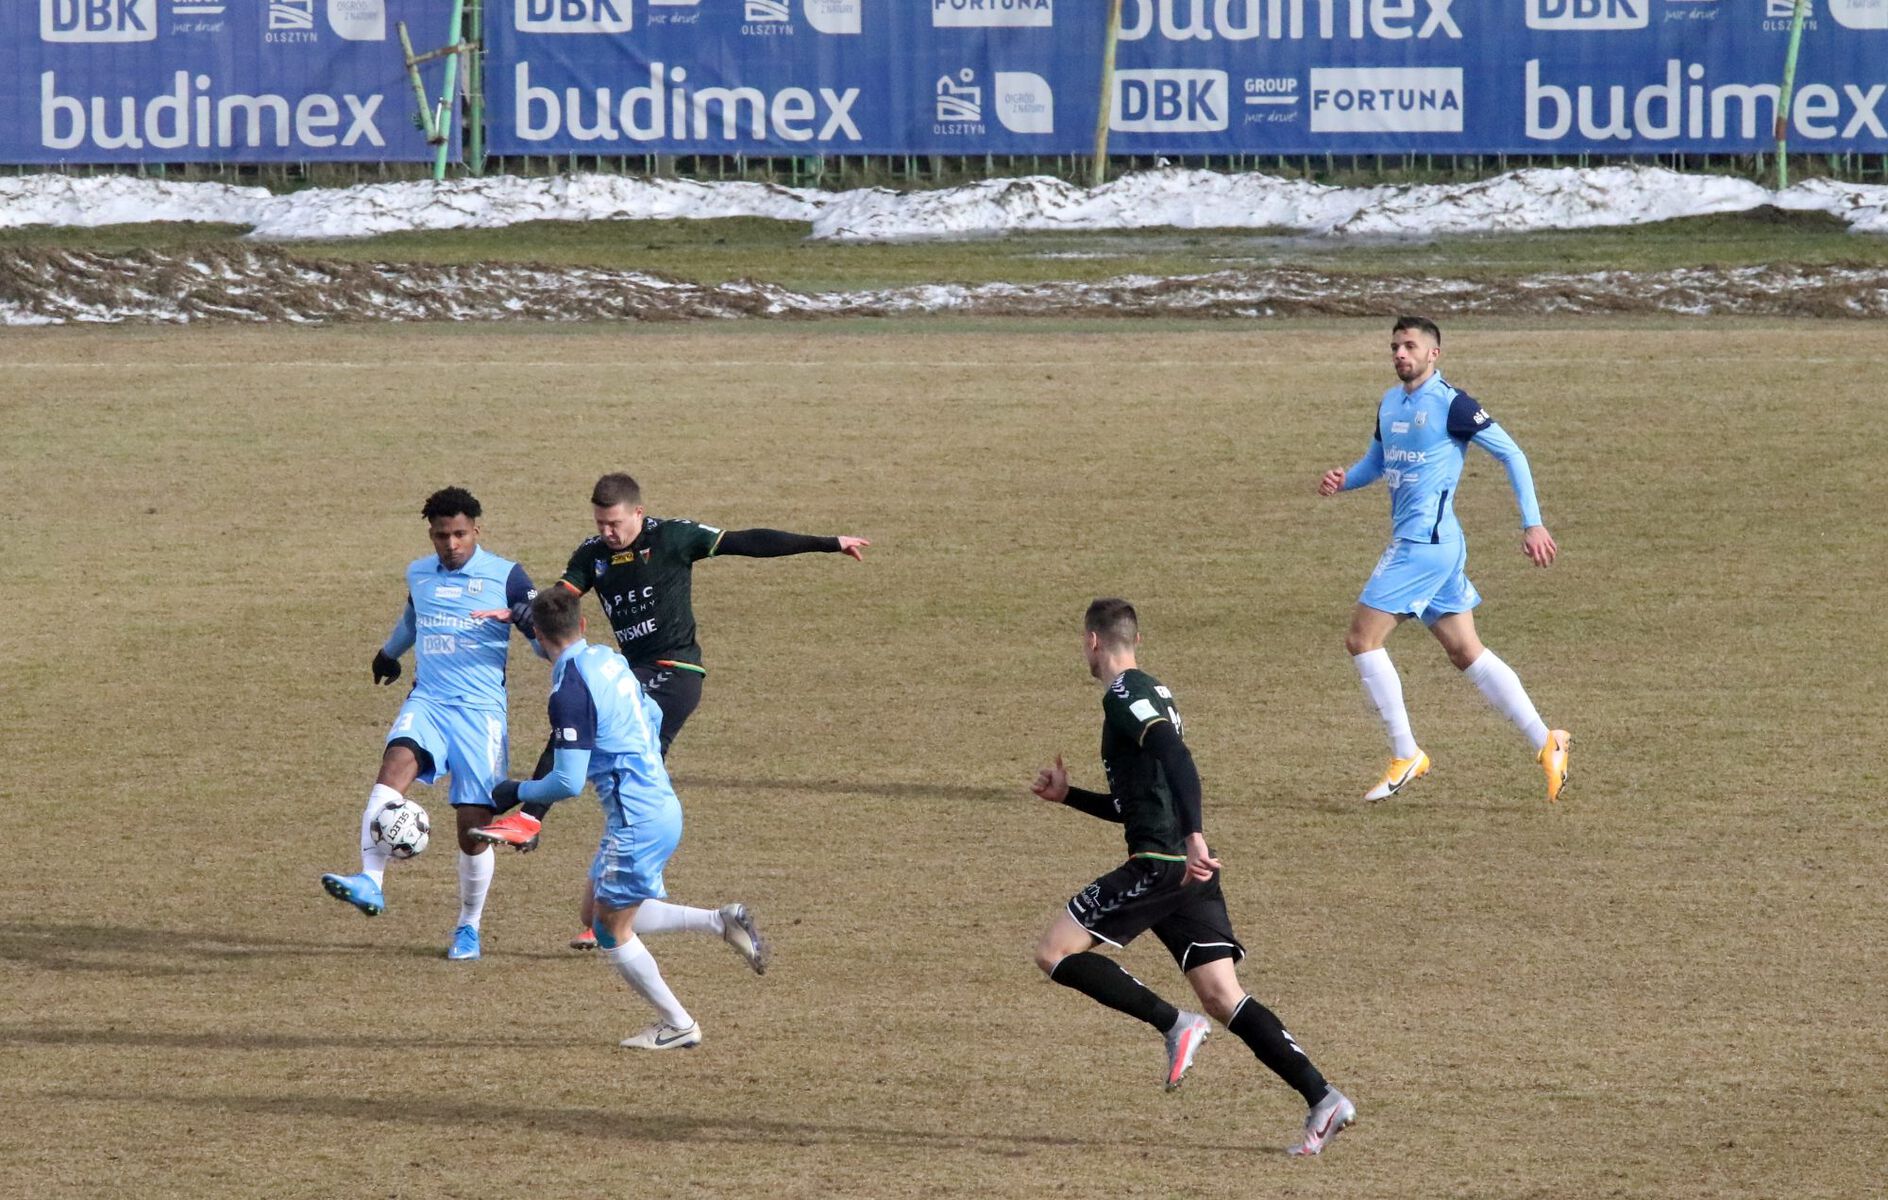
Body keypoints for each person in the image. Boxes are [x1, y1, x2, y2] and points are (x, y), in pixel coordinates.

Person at [471, 471, 868, 948]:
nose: (607, 533)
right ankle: (616, 906)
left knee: (582, 723)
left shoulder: (673, 537)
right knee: (632, 786)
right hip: (633, 674)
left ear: (638, 513)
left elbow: (748, 542)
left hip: (674, 674)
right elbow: (560, 606)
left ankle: (530, 819)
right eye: (600, 524)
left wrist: (828, 543)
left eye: (615, 523)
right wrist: (522, 611)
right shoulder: (593, 554)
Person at [1030, 599, 1356, 1157]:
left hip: (1162, 865)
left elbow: (1177, 759)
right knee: (1223, 995)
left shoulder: (1124, 696)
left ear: (1092, 641)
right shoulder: (1154, 692)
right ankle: (1323, 1097)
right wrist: (1069, 798)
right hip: (1187, 870)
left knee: (1055, 952)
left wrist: (1194, 836)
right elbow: (1138, 801)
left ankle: (1173, 1024)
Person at [486, 585, 769, 1049]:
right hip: (658, 806)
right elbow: (654, 713)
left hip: (636, 821)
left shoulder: (570, 691)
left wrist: (514, 791)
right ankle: (721, 922)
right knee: (593, 910)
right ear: (582, 625)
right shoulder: (608, 659)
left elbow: (567, 782)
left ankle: (678, 1024)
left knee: (610, 930)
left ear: (537, 634)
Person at [1317, 316, 1572, 803]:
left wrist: (1532, 522)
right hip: (1440, 547)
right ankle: (1547, 740)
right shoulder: (1390, 403)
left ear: (1433, 354)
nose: (1399, 353)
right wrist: (1344, 479)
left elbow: (1512, 454)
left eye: (1409, 346)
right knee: (1465, 651)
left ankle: (1406, 752)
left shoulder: (1453, 404)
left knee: (1361, 639)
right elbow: (1378, 461)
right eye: (1394, 346)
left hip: (1423, 547)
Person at [319, 487, 542, 962]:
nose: (452, 544)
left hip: (480, 714)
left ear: (476, 531)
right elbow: (412, 619)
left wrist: (529, 620)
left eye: (460, 534)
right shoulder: (419, 573)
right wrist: (389, 653)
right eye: (442, 535)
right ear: (431, 534)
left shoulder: (507, 575)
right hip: (430, 701)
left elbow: (548, 645)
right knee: (391, 771)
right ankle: (370, 882)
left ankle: (468, 927)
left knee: (473, 828)